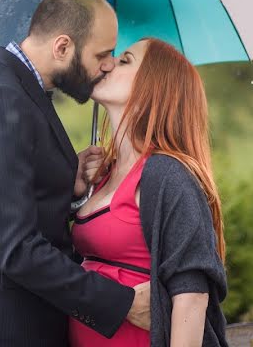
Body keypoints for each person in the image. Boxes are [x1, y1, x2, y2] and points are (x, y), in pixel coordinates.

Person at [0, 0, 150, 347]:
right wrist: (121, 302)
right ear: (62, 47)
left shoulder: (16, 89)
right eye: (102, 54)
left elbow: (10, 201)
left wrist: (67, 184)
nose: (108, 64)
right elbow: (17, 250)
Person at [70, 38, 229, 347]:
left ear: (154, 87)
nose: (108, 63)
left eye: (125, 60)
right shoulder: (104, 173)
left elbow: (192, 297)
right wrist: (77, 195)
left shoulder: (166, 174)